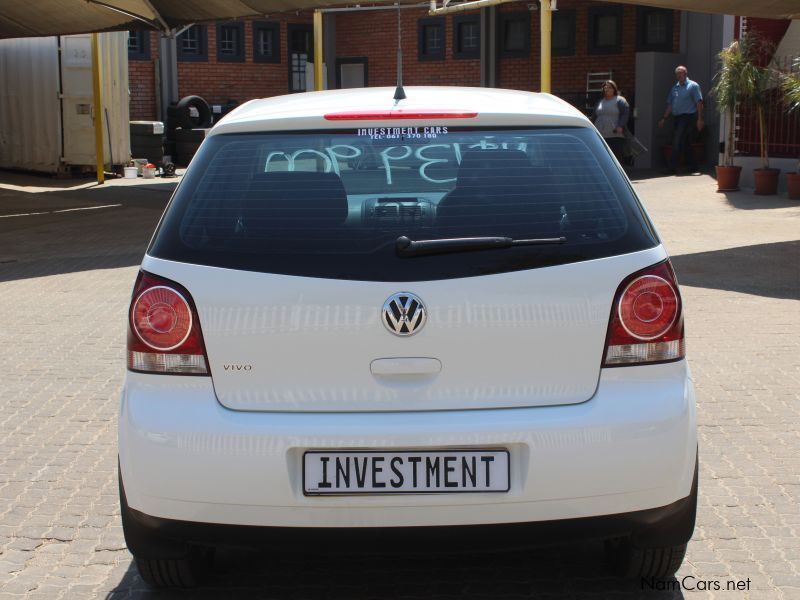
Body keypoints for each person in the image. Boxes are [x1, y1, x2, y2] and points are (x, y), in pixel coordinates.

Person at [659, 65, 704, 175]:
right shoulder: (675, 88)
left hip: (688, 117)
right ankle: (694, 166)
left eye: (681, 73)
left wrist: (700, 119)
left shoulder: (693, 86)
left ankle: (672, 167)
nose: (679, 75)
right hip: (677, 117)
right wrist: (664, 118)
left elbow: (699, 103)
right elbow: (670, 104)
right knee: (685, 142)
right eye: (677, 73)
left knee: (677, 140)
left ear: (685, 73)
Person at [593, 80, 629, 162]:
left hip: (615, 135)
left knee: (615, 160)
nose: (607, 89)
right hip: (601, 136)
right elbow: (594, 116)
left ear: (614, 89)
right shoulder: (600, 102)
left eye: (609, 87)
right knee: (602, 159)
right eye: (605, 87)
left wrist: (620, 126)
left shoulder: (620, 100)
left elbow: (625, 114)